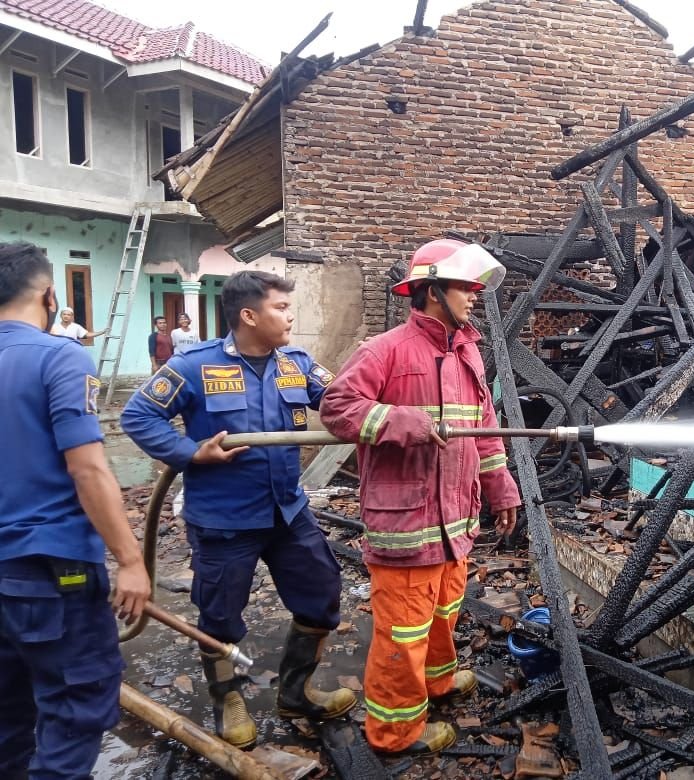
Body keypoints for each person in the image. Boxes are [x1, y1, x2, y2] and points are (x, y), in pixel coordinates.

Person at [121, 270, 353, 749]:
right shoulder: (193, 366)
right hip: (225, 519)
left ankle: (296, 691)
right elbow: (138, 415)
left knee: (322, 595)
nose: (291, 316)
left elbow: (342, 399)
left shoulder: (298, 363)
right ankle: (227, 697)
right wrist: (190, 452)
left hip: (288, 512)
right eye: (281, 308)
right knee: (220, 616)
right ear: (248, 315)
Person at [320, 239, 521, 755]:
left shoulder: (468, 351)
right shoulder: (384, 350)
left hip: (455, 523)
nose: (475, 296)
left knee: (443, 614)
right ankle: (393, 731)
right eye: (465, 286)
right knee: (402, 636)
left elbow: (485, 428)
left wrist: (501, 489)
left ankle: (436, 683)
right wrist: (396, 419)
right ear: (432, 290)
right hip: (405, 527)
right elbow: (337, 406)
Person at [0, 242, 151, 779]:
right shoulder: (58, 356)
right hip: (49, 572)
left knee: (8, 719)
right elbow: (88, 470)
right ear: (48, 294)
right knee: (73, 710)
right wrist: (130, 560)